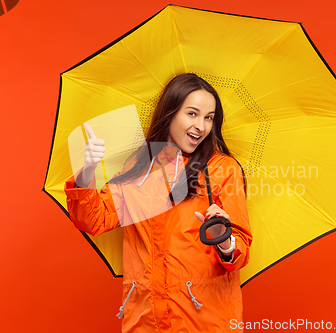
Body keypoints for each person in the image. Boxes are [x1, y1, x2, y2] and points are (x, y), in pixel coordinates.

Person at [64, 73, 252, 333]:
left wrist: (224, 239)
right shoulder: (140, 168)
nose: (201, 126)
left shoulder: (223, 169)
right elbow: (93, 219)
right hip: (146, 318)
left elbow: (239, 252)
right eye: (192, 114)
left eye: (209, 118)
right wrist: (87, 171)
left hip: (205, 320)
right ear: (171, 112)